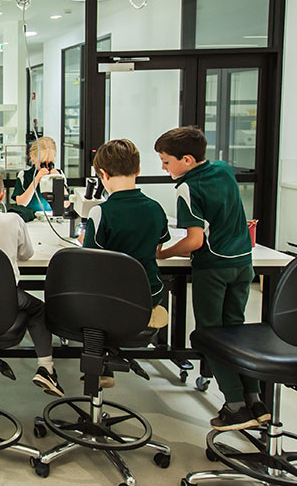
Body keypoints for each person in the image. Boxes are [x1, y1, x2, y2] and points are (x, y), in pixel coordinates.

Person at [154, 126, 264, 432]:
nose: (163, 168)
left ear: (186, 160)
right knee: (236, 331)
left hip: (213, 267)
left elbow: (194, 242)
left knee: (211, 335)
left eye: (166, 161)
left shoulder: (187, 189)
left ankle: (235, 406)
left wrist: (163, 254)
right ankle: (255, 400)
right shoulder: (224, 169)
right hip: (243, 262)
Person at [0, 166, 63, 397]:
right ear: (2, 196)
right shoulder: (12, 220)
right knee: (37, 309)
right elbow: (26, 255)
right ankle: (46, 367)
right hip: (5, 301)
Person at [81, 139, 171, 390]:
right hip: (146, 294)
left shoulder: (101, 213)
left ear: (103, 175)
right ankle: (116, 347)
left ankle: (100, 362)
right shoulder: (156, 209)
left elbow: (89, 259)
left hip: (110, 299)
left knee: (91, 297)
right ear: (138, 171)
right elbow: (157, 248)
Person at [10, 136, 63, 222]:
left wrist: (59, 181)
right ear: (33, 157)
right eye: (42, 163)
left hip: (53, 220)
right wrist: (36, 179)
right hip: (30, 220)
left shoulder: (59, 174)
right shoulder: (24, 176)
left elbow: (66, 204)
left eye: (49, 163)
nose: (46, 167)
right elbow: (21, 203)